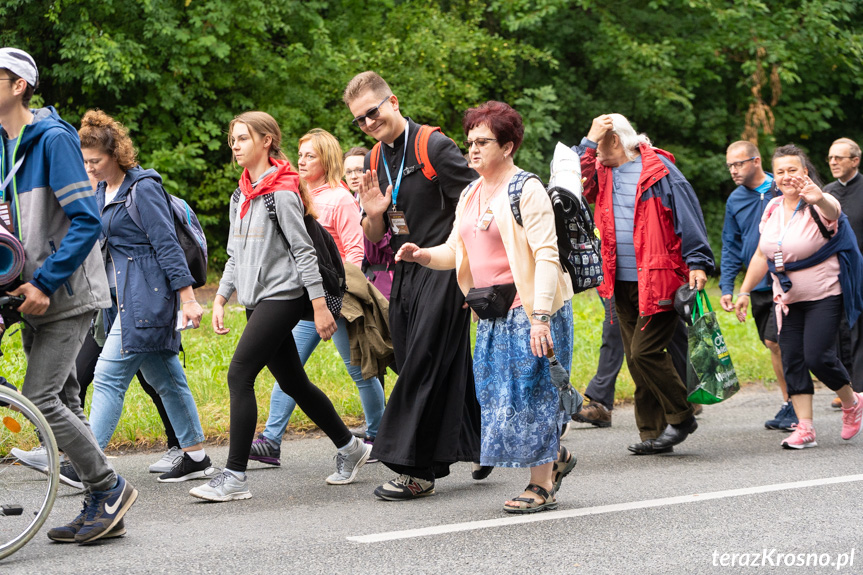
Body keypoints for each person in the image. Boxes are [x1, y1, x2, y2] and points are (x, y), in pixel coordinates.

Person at [396, 100, 576, 512]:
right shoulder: (472, 193)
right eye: (469, 142)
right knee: (499, 398)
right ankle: (557, 458)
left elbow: (546, 255)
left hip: (532, 311)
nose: (472, 150)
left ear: (508, 146)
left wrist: (541, 317)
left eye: (483, 142)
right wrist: (423, 255)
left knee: (533, 395)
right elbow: (456, 251)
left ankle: (541, 484)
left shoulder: (526, 189)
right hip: (493, 314)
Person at [191, 111, 371, 502]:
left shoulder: (283, 191)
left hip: (284, 296)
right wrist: (221, 298)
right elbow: (235, 255)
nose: (234, 145)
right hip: (256, 300)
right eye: (232, 139)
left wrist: (321, 308)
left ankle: (235, 477)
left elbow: (305, 254)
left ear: (267, 140)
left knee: (239, 375)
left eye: (242, 138)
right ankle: (351, 447)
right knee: (293, 381)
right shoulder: (242, 192)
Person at [0, 47, 136, 544]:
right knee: (65, 402)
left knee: (39, 399)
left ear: (18, 85)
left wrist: (44, 282)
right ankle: (102, 505)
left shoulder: (52, 139)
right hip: (27, 293)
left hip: (65, 293)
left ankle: (110, 485)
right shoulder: (2, 144)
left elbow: (87, 221)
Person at [345, 71, 482, 500]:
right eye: (359, 121)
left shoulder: (434, 147)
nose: (368, 123)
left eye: (373, 112)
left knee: (423, 362)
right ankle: (483, 441)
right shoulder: (372, 161)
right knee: (419, 361)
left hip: (444, 270)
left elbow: (478, 204)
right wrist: (373, 214)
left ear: (394, 102)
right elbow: (373, 237)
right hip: (404, 271)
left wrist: (473, 279)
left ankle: (414, 470)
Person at [76, 110, 214, 483]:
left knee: (106, 376)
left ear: (116, 155)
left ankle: (90, 465)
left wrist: (187, 298)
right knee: (167, 379)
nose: (89, 168)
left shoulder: (143, 187)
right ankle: (197, 457)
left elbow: (167, 246)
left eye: (96, 161)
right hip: (119, 300)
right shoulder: (101, 189)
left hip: (147, 297)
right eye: (84, 161)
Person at [572, 113, 714, 455]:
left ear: (617, 141)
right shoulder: (602, 172)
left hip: (659, 278)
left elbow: (688, 215)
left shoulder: (660, 172)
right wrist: (590, 140)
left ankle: (682, 416)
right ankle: (653, 431)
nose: (595, 152)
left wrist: (698, 262)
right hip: (619, 281)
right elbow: (573, 182)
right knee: (637, 361)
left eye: (600, 143)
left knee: (644, 351)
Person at [248, 129, 385, 466]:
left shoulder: (339, 199)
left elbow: (354, 252)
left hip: (334, 299)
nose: (303, 160)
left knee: (358, 370)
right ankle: (271, 440)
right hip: (303, 299)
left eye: (311, 155)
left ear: (327, 159)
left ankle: (380, 436)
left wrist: (336, 294)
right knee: (289, 368)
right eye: (301, 154)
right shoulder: (296, 192)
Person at [734, 144, 863, 449]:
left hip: (824, 294)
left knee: (818, 356)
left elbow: (833, 210)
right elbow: (761, 255)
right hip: (787, 299)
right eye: (780, 171)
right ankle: (805, 427)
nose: (787, 176)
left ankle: (852, 402)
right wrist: (744, 290)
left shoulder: (819, 201)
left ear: (805, 171)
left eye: (793, 169)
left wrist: (819, 197)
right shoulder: (772, 209)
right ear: (773, 177)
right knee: (792, 358)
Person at [719, 141, 792, 430]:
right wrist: (727, 286)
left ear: (756, 161)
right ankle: (790, 403)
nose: (733, 170)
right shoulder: (735, 199)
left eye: (739, 164)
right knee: (772, 344)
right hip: (756, 285)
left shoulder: (783, 187)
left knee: (779, 342)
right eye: (730, 166)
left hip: (786, 281)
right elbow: (730, 245)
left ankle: (797, 405)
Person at [577, 292, 691, 428]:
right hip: (619, 279)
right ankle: (601, 402)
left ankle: (689, 392)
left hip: (655, 277)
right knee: (613, 329)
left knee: (670, 327)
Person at [824, 138, 863, 401]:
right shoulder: (825, 193)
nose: (833, 162)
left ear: (855, 160)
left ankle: (859, 388)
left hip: (861, 272)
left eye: (839, 157)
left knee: (860, 330)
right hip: (833, 273)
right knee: (837, 330)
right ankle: (846, 385)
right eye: (830, 158)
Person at [346, 146, 395, 300]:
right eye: (348, 172)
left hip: (387, 279)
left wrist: (374, 222)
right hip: (360, 279)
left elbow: (395, 243)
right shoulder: (350, 201)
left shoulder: (385, 198)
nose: (353, 176)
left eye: (359, 170)